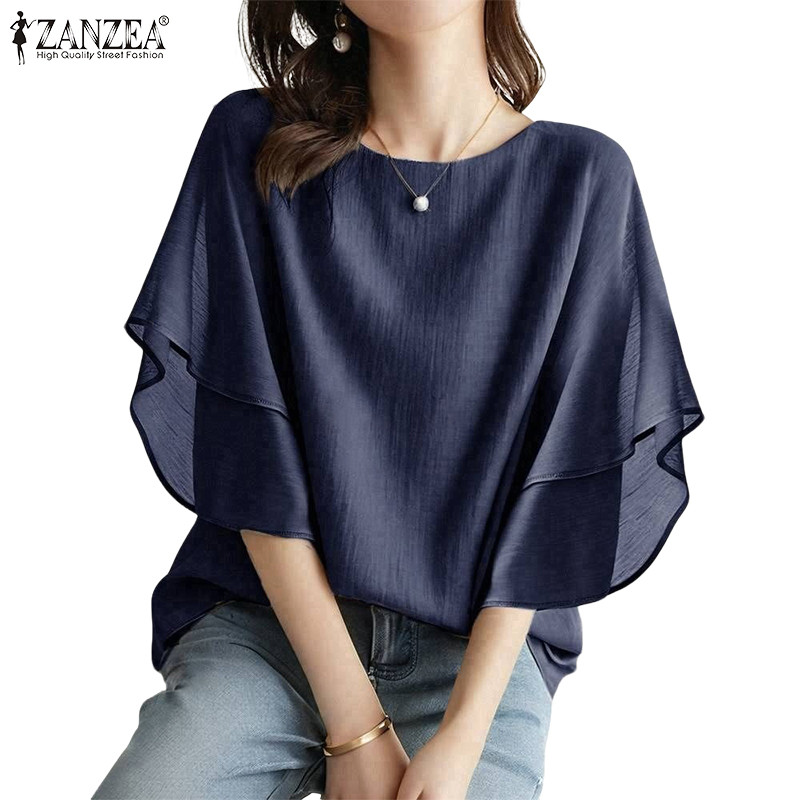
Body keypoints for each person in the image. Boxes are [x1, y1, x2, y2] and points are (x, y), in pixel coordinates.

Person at [92, 2, 705, 798]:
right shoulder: (256, 143)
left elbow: (556, 491)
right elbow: (248, 451)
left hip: (473, 661)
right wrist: (354, 724)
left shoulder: (585, 180)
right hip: (269, 630)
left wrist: (465, 735)